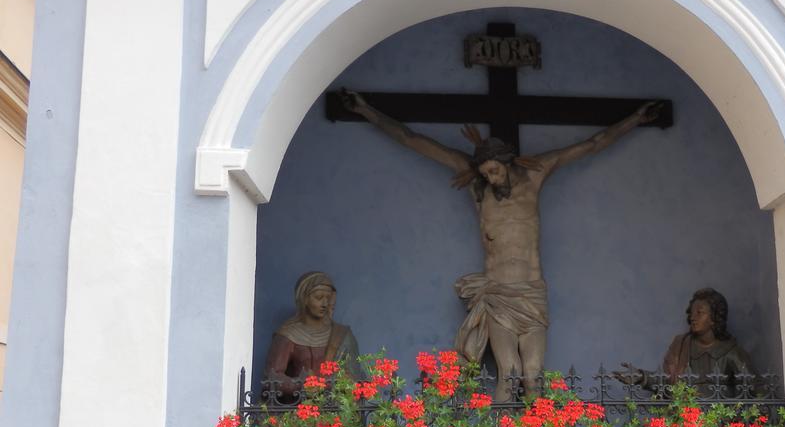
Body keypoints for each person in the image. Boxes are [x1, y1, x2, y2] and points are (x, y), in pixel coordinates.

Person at [342, 89, 660, 401]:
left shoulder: (534, 177)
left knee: (534, 375)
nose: (491, 178)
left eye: (494, 170)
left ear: (506, 161)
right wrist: (366, 111)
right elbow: (413, 140)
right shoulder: (478, 189)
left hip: (532, 292)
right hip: (498, 295)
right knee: (508, 373)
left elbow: (592, 145)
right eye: (484, 173)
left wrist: (635, 119)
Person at [618, 287, 753, 397]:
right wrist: (642, 377)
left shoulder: (731, 352)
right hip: (685, 424)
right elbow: (669, 383)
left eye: (700, 313)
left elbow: (754, 391)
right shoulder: (681, 345)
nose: (693, 317)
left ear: (714, 317)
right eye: (691, 313)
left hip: (718, 426)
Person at [263, 271, 361, 401]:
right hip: (300, 409)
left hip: (336, 409)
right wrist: (300, 385)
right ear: (304, 299)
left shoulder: (342, 334)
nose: (325, 304)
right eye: (319, 297)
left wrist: (344, 380)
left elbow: (355, 376)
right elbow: (271, 376)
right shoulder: (288, 333)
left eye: (328, 298)